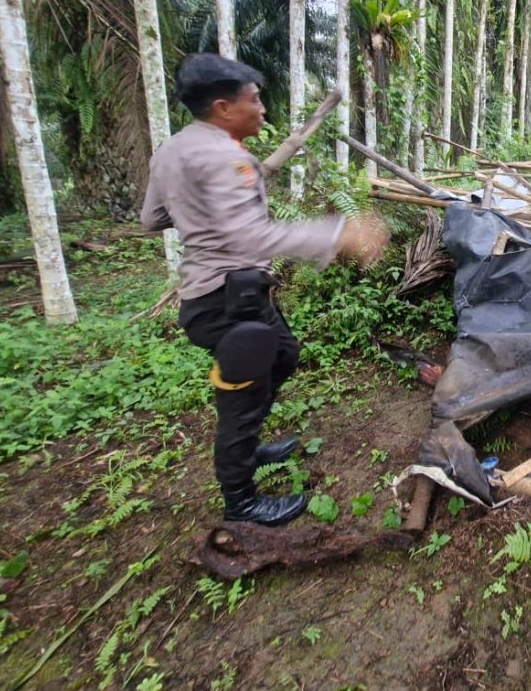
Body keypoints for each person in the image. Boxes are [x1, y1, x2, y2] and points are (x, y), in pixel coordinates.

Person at [140, 53, 389, 526]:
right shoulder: (223, 158)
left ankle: (250, 446)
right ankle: (242, 502)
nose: (262, 110)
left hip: (237, 295)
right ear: (222, 107)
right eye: (254, 101)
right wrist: (341, 234)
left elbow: (152, 218)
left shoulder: (172, 151)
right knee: (242, 400)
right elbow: (252, 237)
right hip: (225, 302)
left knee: (284, 355)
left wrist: (202, 211)